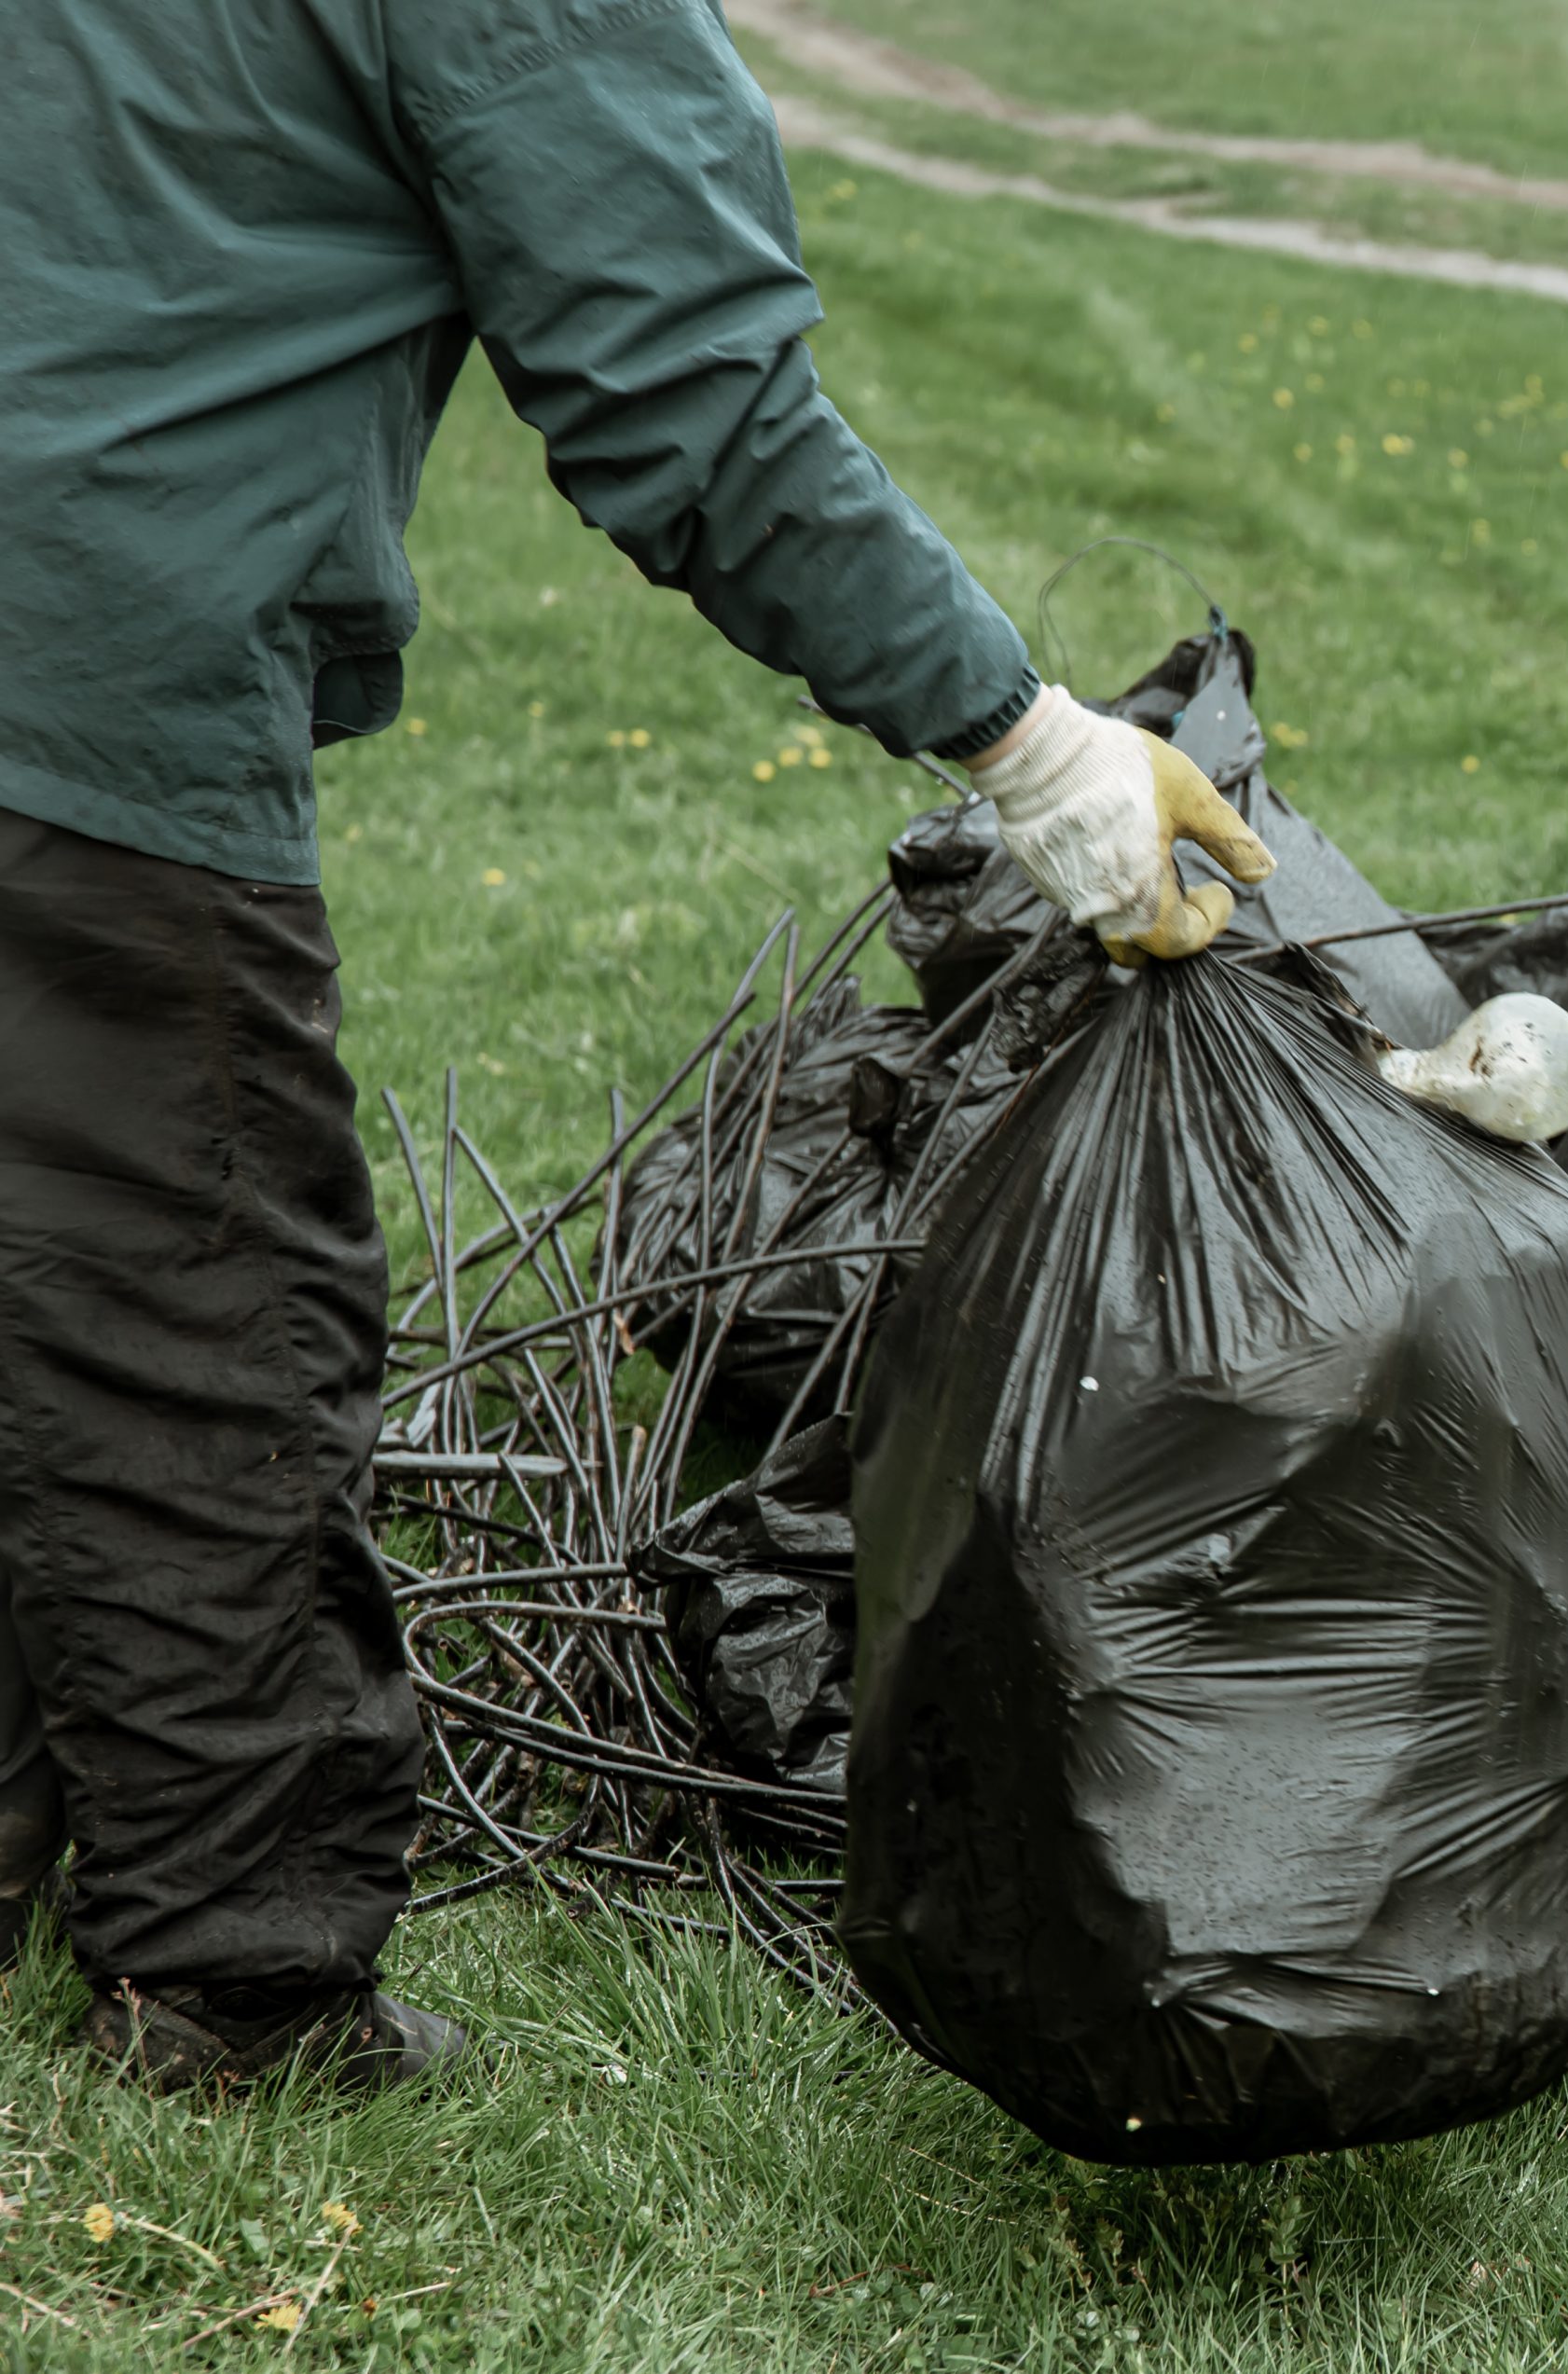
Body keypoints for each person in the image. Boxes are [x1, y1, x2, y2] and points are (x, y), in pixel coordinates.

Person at [0, 0, 1274, 2092]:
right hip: (75, 654)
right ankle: (240, 1986)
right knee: (191, 1308)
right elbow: (688, 399)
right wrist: (1029, 746)